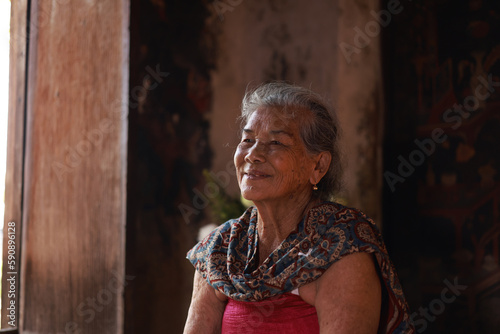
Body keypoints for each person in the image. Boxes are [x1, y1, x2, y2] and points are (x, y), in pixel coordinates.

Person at [184, 82, 414, 333]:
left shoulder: (341, 244)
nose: (253, 154)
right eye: (247, 139)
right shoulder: (221, 249)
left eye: (276, 143)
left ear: (318, 167)